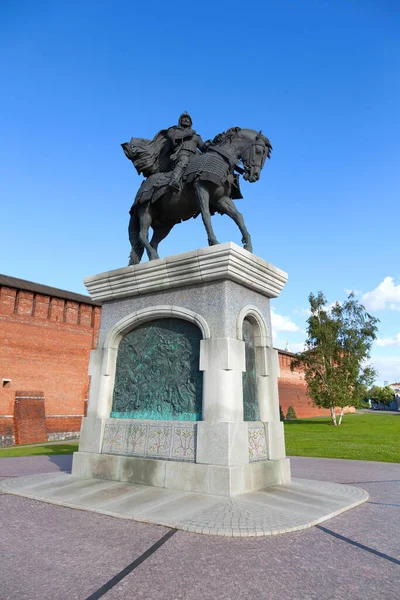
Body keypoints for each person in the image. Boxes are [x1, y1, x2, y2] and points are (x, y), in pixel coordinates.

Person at [167, 112, 204, 189]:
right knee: (184, 160)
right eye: (184, 118)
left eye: (188, 119)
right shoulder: (173, 130)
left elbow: (203, 147)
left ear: (190, 122)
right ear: (180, 120)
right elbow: (173, 138)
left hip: (194, 156)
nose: (186, 120)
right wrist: (188, 133)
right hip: (180, 154)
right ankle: (173, 180)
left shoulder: (196, 136)